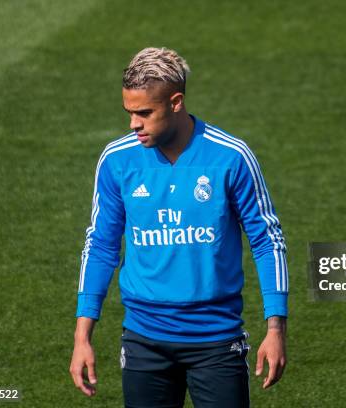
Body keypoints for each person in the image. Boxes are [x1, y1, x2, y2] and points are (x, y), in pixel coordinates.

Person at [69, 47, 289, 407]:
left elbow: (267, 241)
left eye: (144, 113)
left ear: (176, 102)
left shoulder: (231, 157)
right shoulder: (117, 160)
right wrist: (82, 337)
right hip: (143, 341)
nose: (133, 124)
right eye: (129, 113)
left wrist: (276, 328)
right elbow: (101, 246)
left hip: (216, 341)